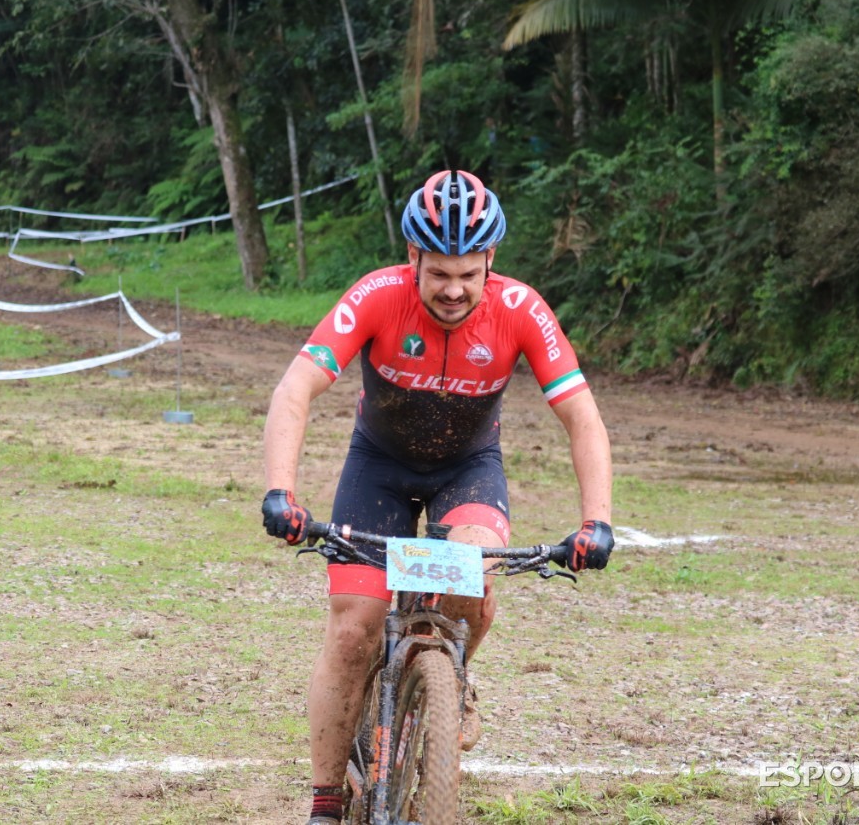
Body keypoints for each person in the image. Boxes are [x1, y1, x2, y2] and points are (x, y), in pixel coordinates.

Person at [261, 169, 615, 825]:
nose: (454, 290)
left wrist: (597, 520)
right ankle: (326, 800)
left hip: (467, 469)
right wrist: (281, 490)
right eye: (440, 273)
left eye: (469, 274)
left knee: (473, 577)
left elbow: (582, 417)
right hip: (379, 468)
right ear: (413, 258)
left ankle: (448, 677)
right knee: (353, 629)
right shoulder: (376, 296)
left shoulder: (521, 309)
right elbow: (295, 388)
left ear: (491, 261)